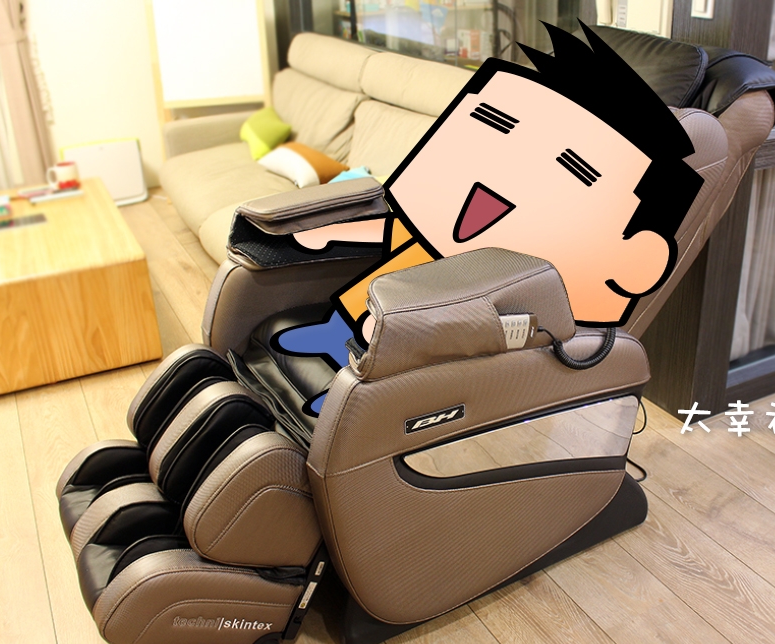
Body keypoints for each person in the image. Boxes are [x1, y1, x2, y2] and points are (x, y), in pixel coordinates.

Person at [276, 21, 704, 415]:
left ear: (638, 259)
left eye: (571, 166)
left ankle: (348, 393)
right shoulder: (441, 220)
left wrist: (402, 330)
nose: (502, 172)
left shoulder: (534, 280)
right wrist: (333, 233)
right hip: (390, 304)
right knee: (401, 260)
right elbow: (392, 229)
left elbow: (507, 321)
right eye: (497, 123)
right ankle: (332, 334)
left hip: (423, 336)